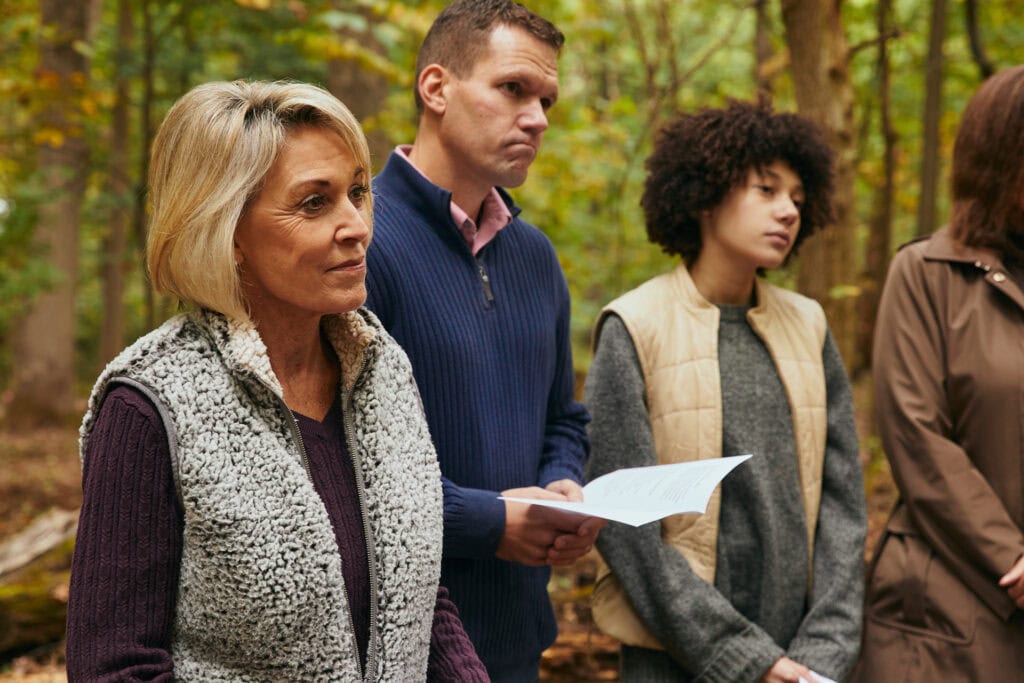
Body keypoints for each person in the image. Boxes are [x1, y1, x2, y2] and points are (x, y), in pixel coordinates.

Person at [65, 80, 488, 681]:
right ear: (227, 229)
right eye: (314, 203)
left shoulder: (382, 365)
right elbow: (114, 667)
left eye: (357, 193)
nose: (356, 226)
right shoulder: (149, 405)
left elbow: (413, 592)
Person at [584, 101, 867, 682]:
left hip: (803, 658)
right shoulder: (635, 326)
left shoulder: (809, 324)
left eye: (796, 195)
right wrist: (748, 661)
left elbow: (843, 506)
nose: (788, 209)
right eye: (766, 189)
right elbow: (625, 524)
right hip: (675, 657)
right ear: (706, 195)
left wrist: (821, 655)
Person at [363, 1, 603, 679]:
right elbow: (343, 469)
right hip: (398, 647)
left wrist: (563, 484)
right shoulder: (357, 247)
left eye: (547, 99)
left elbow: (562, 416)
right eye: (513, 89)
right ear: (435, 88)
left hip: (518, 641)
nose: (538, 118)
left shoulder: (535, 256)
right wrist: (493, 521)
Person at [852, 66, 1024, 682]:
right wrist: (1014, 558)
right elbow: (917, 438)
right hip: (948, 612)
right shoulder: (926, 272)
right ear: (1002, 156)